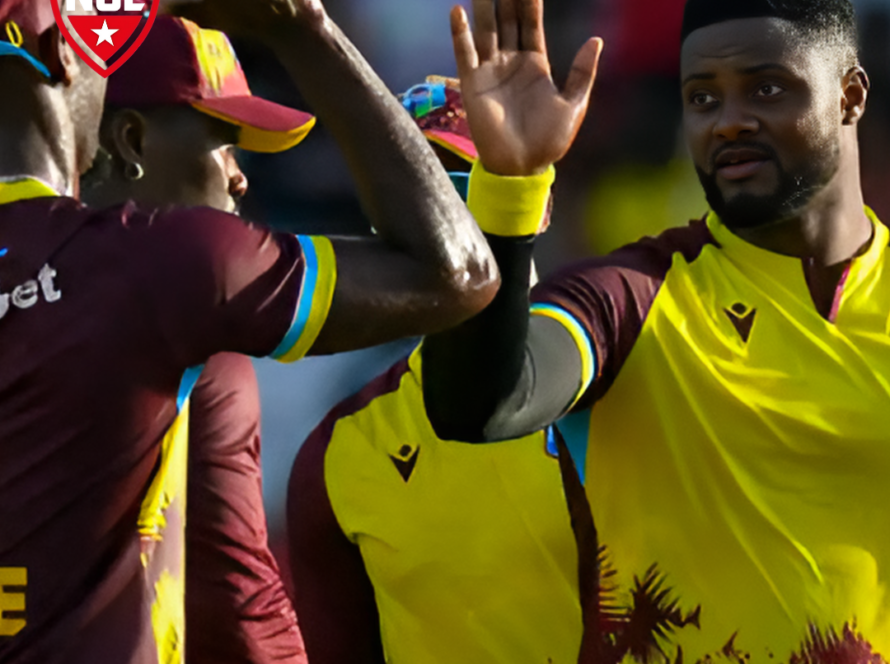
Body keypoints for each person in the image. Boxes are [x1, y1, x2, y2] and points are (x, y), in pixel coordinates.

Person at [0, 0, 499, 661]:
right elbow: (457, 274)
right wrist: (302, 27)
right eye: (223, 138)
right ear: (68, 58)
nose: (240, 175)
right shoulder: (159, 275)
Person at [422, 0, 890, 660]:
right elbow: (480, 402)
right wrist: (509, 190)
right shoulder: (636, 293)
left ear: (849, 94)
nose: (729, 122)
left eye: (766, 88)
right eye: (702, 98)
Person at [287, 78, 582, 664]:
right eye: (413, 189)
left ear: (539, 203)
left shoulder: (629, 377)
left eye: (462, 180)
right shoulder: (341, 453)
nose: (439, 211)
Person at [82, 16, 310, 664]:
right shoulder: (193, 340)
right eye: (223, 140)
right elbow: (237, 599)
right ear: (130, 140)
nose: (240, 178)